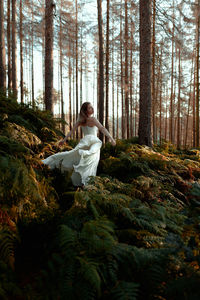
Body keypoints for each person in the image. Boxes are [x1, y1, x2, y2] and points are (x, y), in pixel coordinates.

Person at [42, 102, 116, 187]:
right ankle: (87, 183)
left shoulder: (81, 121)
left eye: (92, 107)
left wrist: (64, 140)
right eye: (89, 108)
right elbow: (102, 129)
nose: (92, 109)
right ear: (85, 111)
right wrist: (111, 139)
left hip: (86, 142)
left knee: (78, 157)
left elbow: (71, 131)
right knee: (91, 162)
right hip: (93, 142)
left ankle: (84, 182)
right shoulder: (92, 119)